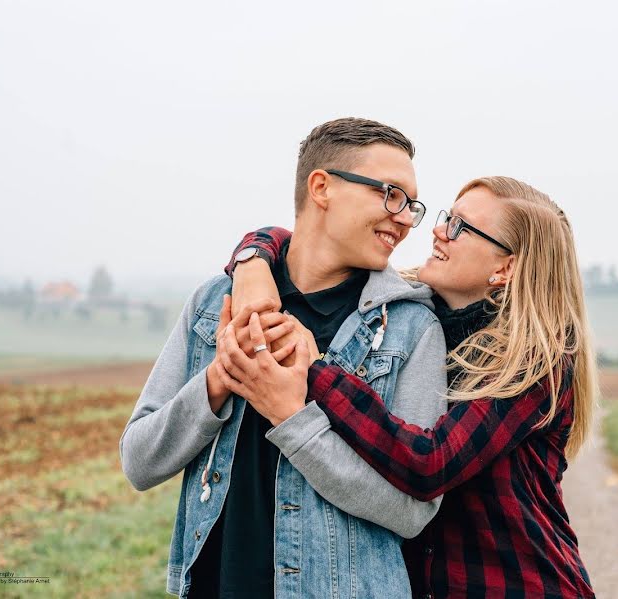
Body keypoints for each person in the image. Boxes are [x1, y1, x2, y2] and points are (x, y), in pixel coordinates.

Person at [217, 176, 599, 598]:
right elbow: (304, 244)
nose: (438, 231)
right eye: (446, 218)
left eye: (460, 227)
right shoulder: (416, 316)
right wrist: (254, 257)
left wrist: (318, 374)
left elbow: (429, 463)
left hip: (518, 585)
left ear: (504, 268)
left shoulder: (535, 362)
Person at [119, 117, 449, 599]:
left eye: (410, 205)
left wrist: (291, 416)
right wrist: (217, 381)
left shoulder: (411, 328)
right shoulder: (216, 302)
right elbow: (139, 461)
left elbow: (413, 511)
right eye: (390, 194)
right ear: (322, 187)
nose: (403, 218)